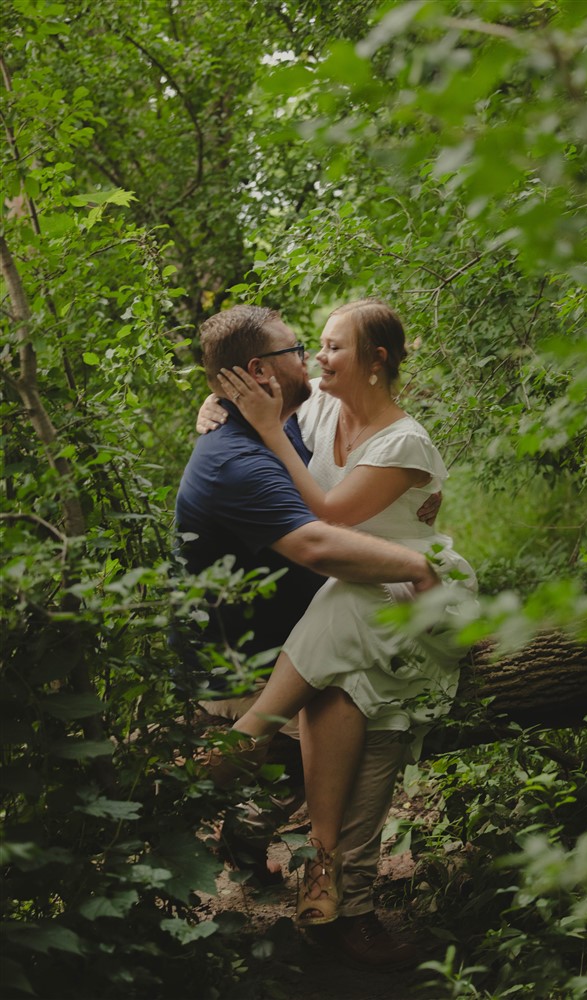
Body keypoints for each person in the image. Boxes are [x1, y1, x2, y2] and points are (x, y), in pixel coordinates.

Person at [176, 304, 446, 970]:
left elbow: (338, 523)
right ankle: (333, 887)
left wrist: (248, 411)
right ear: (260, 374)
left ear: (373, 358)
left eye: (328, 347)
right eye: (305, 348)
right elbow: (321, 542)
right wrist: (416, 563)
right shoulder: (271, 436)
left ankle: (333, 883)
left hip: (344, 614)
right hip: (265, 647)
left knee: (361, 693)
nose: (315, 360)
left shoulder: (312, 419)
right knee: (351, 699)